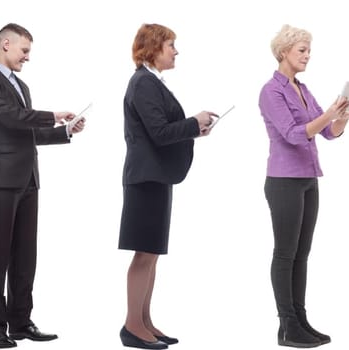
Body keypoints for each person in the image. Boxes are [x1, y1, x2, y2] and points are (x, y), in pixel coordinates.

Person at [0, 22, 85, 349]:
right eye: (24, 50)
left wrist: (65, 131)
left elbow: (25, 131)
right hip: (0, 178)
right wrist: (52, 115)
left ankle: (20, 322)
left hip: (28, 177)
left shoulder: (21, 84)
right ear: (5, 44)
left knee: (25, 254)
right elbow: (10, 118)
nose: (27, 57)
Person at [117, 23, 216, 350]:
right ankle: (132, 326)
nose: (175, 51)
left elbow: (160, 130)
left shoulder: (150, 82)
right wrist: (193, 122)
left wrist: (194, 129)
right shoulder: (143, 83)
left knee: (152, 254)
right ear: (153, 47)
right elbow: (159, 132)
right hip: (145, 179)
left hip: (156, 178)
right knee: (144, 254)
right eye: (171, 45)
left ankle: (145, 321)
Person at [259, 24, 349, 348]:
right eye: (302, 50)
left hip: (308, 178)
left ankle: (299, 320)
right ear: (284, 51)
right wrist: (329, 114)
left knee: (302, 254)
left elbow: (328, 132)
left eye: (308, 50)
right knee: (285, 253)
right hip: (284, 180)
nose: (307, 56)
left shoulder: (302, 88)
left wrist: (342, 117)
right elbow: (293, 133)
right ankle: (286, 324)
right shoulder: (271, 91)